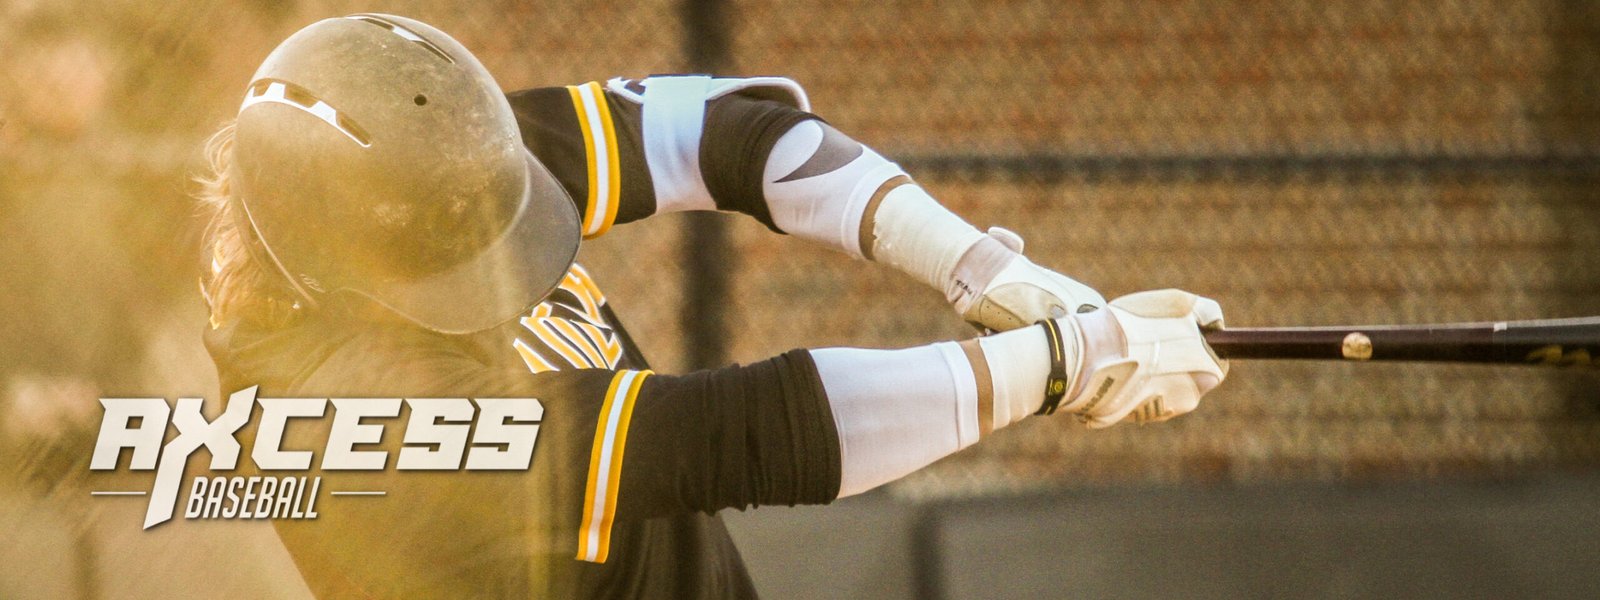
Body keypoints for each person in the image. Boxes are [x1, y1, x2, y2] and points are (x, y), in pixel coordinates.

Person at [198, 13, 1229, 599]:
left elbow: (722, 132)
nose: (496, 264)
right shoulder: (357, 421)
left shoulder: (431, 165)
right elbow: (735, 435)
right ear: (327, 263)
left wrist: (976, 266)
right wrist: (1066, 364)